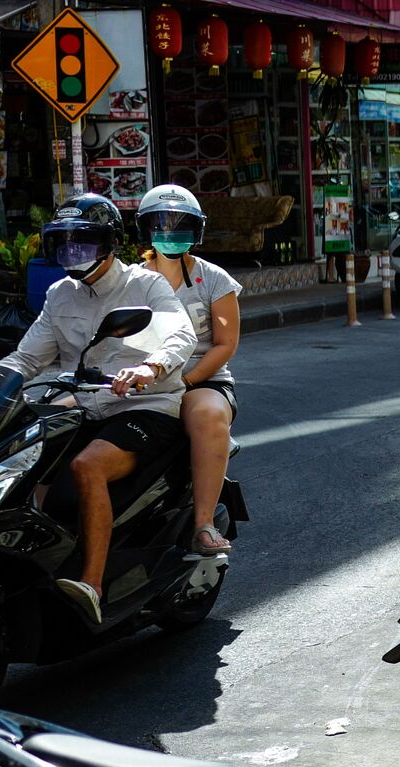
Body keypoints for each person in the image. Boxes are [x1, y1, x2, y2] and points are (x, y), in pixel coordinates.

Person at [0, 194, 197, 623]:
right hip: (85, 408)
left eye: (83, 243)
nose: (73, 253)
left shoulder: (146, 285)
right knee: (22, 458)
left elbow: (180, 333)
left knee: (87, 466)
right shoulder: (59, 295)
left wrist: (150, 365)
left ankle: (91, 583)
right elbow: (26, 358)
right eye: (64, 244)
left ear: (109, 244)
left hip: (146, 407)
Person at [135, 184, 242, 558]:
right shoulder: (131, 280)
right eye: (161, 226)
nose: (170, 234)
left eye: (180, 226)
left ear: (195, 231)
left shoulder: (215, 279)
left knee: (209, 415)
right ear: (145, 230)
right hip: (142, 380)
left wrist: (186, 381)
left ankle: (204, 524)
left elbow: (225, 344)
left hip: (202, 381)